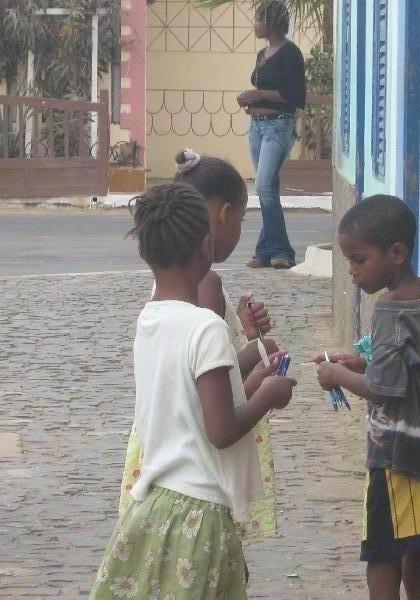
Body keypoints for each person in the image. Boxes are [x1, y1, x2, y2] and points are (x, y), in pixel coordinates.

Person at [91, 183, 296, 599]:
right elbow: (220, 429)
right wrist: (270, 394)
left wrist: (253, 378)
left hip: (151, 503)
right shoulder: (208, 328)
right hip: (198, 512)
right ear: (206, 247)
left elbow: (190, 398)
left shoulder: (149, 320)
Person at [119, 149, 282, 541]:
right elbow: (214, 409)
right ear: (221, 218)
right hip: (197, 479)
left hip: (161, 472)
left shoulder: (151, 315)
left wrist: (251, 342)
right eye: (242, 218)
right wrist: (266, 384)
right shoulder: (205, 296)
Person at [315, 195, 420, 600]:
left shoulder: (389, 309)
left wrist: (337, 374)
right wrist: (363, 361)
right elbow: (409, 366)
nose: (352, 270)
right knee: (416, 559)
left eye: (359, 259)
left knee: (382, 559)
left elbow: (383, 389)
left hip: (396, 457)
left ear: (396, 253)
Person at [237, 0, 306, 270]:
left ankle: (282, 252)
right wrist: (249, 100)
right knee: (269, 189)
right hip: (257, 125)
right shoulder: (262, 54)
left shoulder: (291, 53)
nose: (255, 25)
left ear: (272, 22)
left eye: (258, 20)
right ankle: (265, 252)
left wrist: (260, 94)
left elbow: (295, 97)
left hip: (278, 125)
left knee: (264, 185)